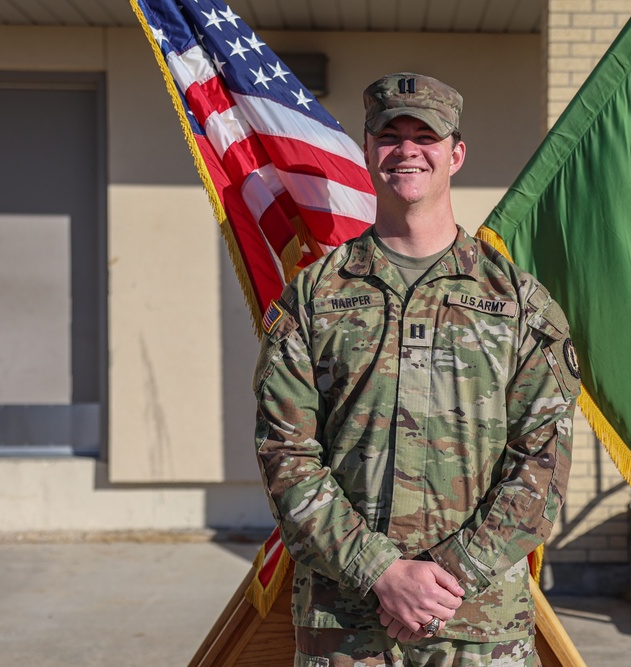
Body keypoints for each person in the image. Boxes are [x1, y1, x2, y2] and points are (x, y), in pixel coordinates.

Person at [253, 72, 580, 667]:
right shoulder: (314, 296)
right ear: (369, 151)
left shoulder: (516, 302)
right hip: (347, 628)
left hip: (477, 627)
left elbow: (543, 462)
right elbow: (285, 454)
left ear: (455, 154)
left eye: (424, 136)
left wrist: (445, 579)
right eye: (389, 134)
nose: (407, 150)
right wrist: (379, 571)